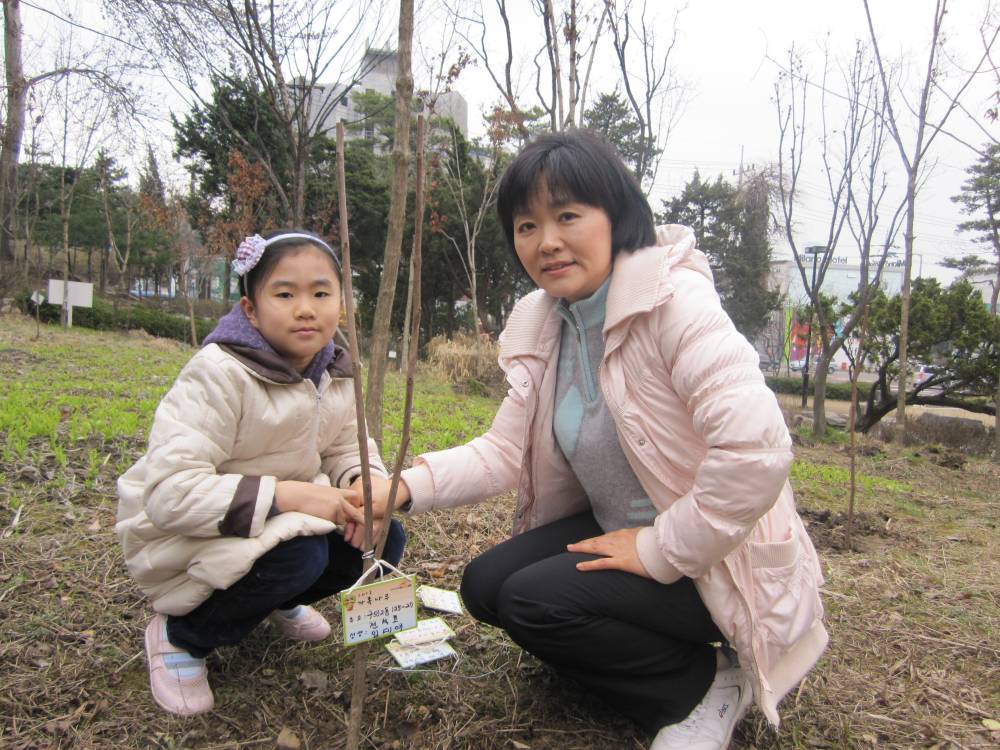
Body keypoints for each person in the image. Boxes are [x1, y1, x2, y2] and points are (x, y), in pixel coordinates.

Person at [373, 130, 827, 750]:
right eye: (526, 224)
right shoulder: (549, 321)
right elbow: (504, 450)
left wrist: (661, 549)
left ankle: (704, 686)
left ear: (617, 214)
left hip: (717, 555)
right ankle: (640, 655)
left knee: (535, 602)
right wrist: (400, 489)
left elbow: (757, 450)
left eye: (567, 215)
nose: (547, 241)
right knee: (486, 588)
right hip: (624, 525)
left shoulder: (675, 302)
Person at [116, 229, 405, 716]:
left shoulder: (334, 370)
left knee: (382, 541)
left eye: (320, 293)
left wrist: (364, 490)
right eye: (284, 294)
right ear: (250, 309)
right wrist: (291, 495)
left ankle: (266, 598)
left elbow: (347, 447)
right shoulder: (219, 373)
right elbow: (169, 494)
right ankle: (182, 636)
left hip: (275, 522)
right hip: (190, 531)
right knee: (301, 558)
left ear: (342, 303)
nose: (306, 309)